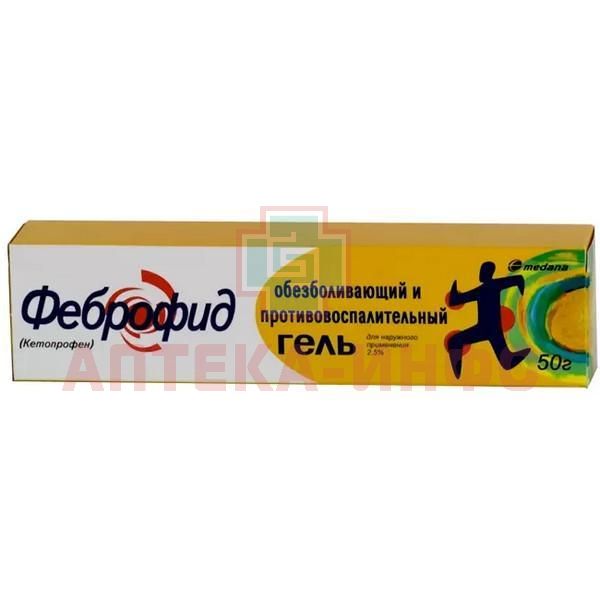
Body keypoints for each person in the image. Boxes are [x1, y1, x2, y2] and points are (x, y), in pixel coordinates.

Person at [447, 261, 530, 378]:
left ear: (489, 273)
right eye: (481, 270)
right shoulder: (489, 287)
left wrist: (522, 291)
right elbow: (518, 279)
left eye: (483, 271)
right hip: (488, 328)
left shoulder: (489, 287)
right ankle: (457, 375)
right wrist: (521, 289)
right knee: (455, 341)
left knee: (455, 341)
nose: (480, 274)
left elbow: (457, 299)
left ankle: (457, 376)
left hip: (488, 329)